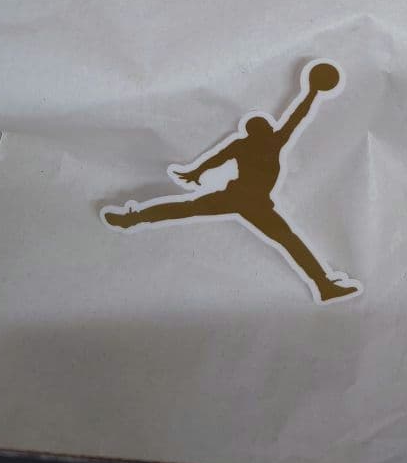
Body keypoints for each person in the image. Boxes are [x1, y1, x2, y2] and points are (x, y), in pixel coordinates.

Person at [101, 61, 361, 303]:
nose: (267, 128)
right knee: (288, 240)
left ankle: (132, 218)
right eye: (264, 127)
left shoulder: (249, 143)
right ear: (261, 131)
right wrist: (312, 92)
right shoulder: (270, 142)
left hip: (240, 199)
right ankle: (323, 284)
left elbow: (217, 159)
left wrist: (196, 172)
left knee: (187, 208)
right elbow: (295, 117)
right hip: (251, 202)